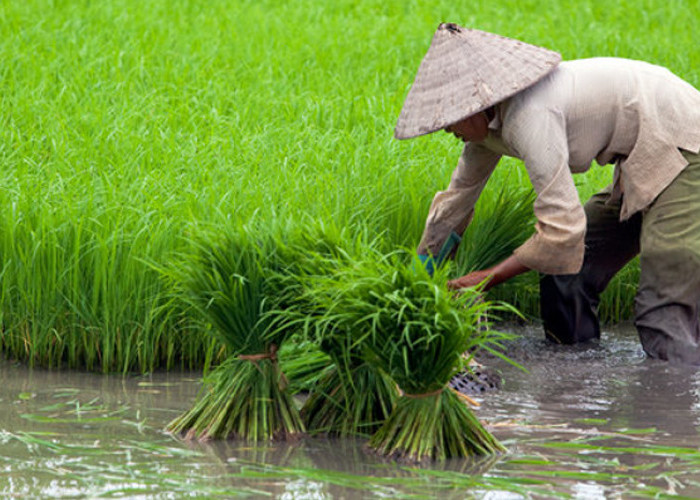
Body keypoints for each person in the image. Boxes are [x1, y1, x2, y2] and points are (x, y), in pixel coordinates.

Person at [396, 23, 700, 363]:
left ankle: (677, 403)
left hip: (684, 143)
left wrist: (484, 279)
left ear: (476, 105)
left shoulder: (531, 116)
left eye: (450, 120)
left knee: (663, 307)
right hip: (641, 154)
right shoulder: (485, 129)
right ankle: (578, 382)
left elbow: (562, 231)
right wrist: (418, 277)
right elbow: (457, 200)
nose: (448, 130)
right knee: (568, 275)